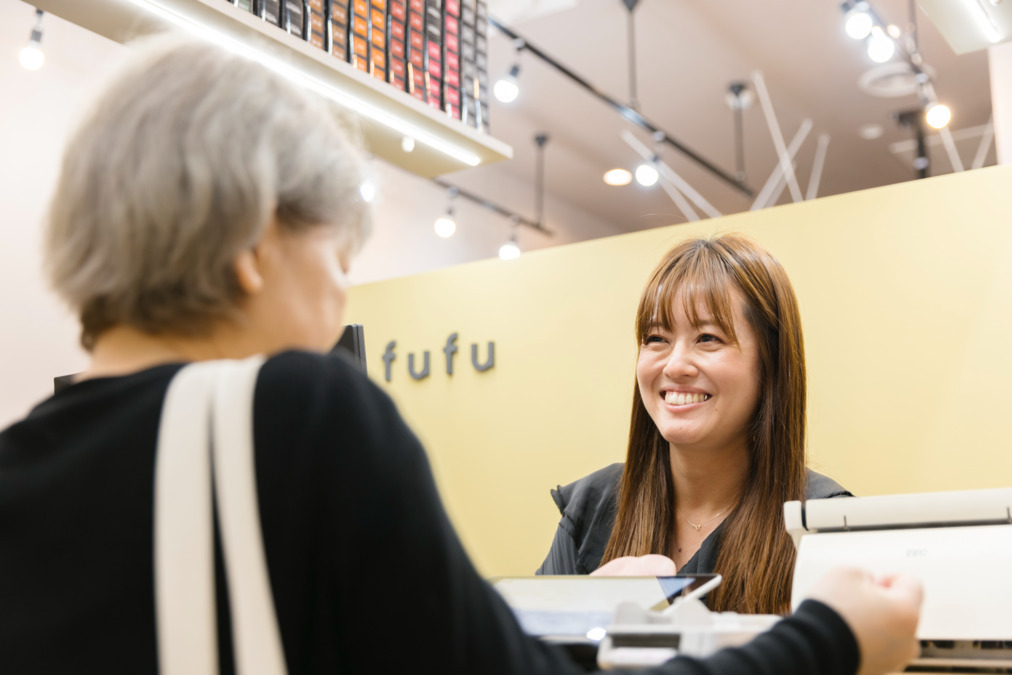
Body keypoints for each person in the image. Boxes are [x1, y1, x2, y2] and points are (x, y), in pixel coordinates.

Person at [0, 35, 921, 675]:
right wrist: (831, 638)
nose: (335, 307)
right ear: (251, 245)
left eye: (711, 338)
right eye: (335, 262)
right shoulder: (301, 412)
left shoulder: (21, 468)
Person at [537, 235, 851, 615]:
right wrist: (585, 612)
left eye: (708, 338)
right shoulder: (594, 507)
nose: (674, 365)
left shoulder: (822, 524)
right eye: (656, 338)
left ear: (769, 364)